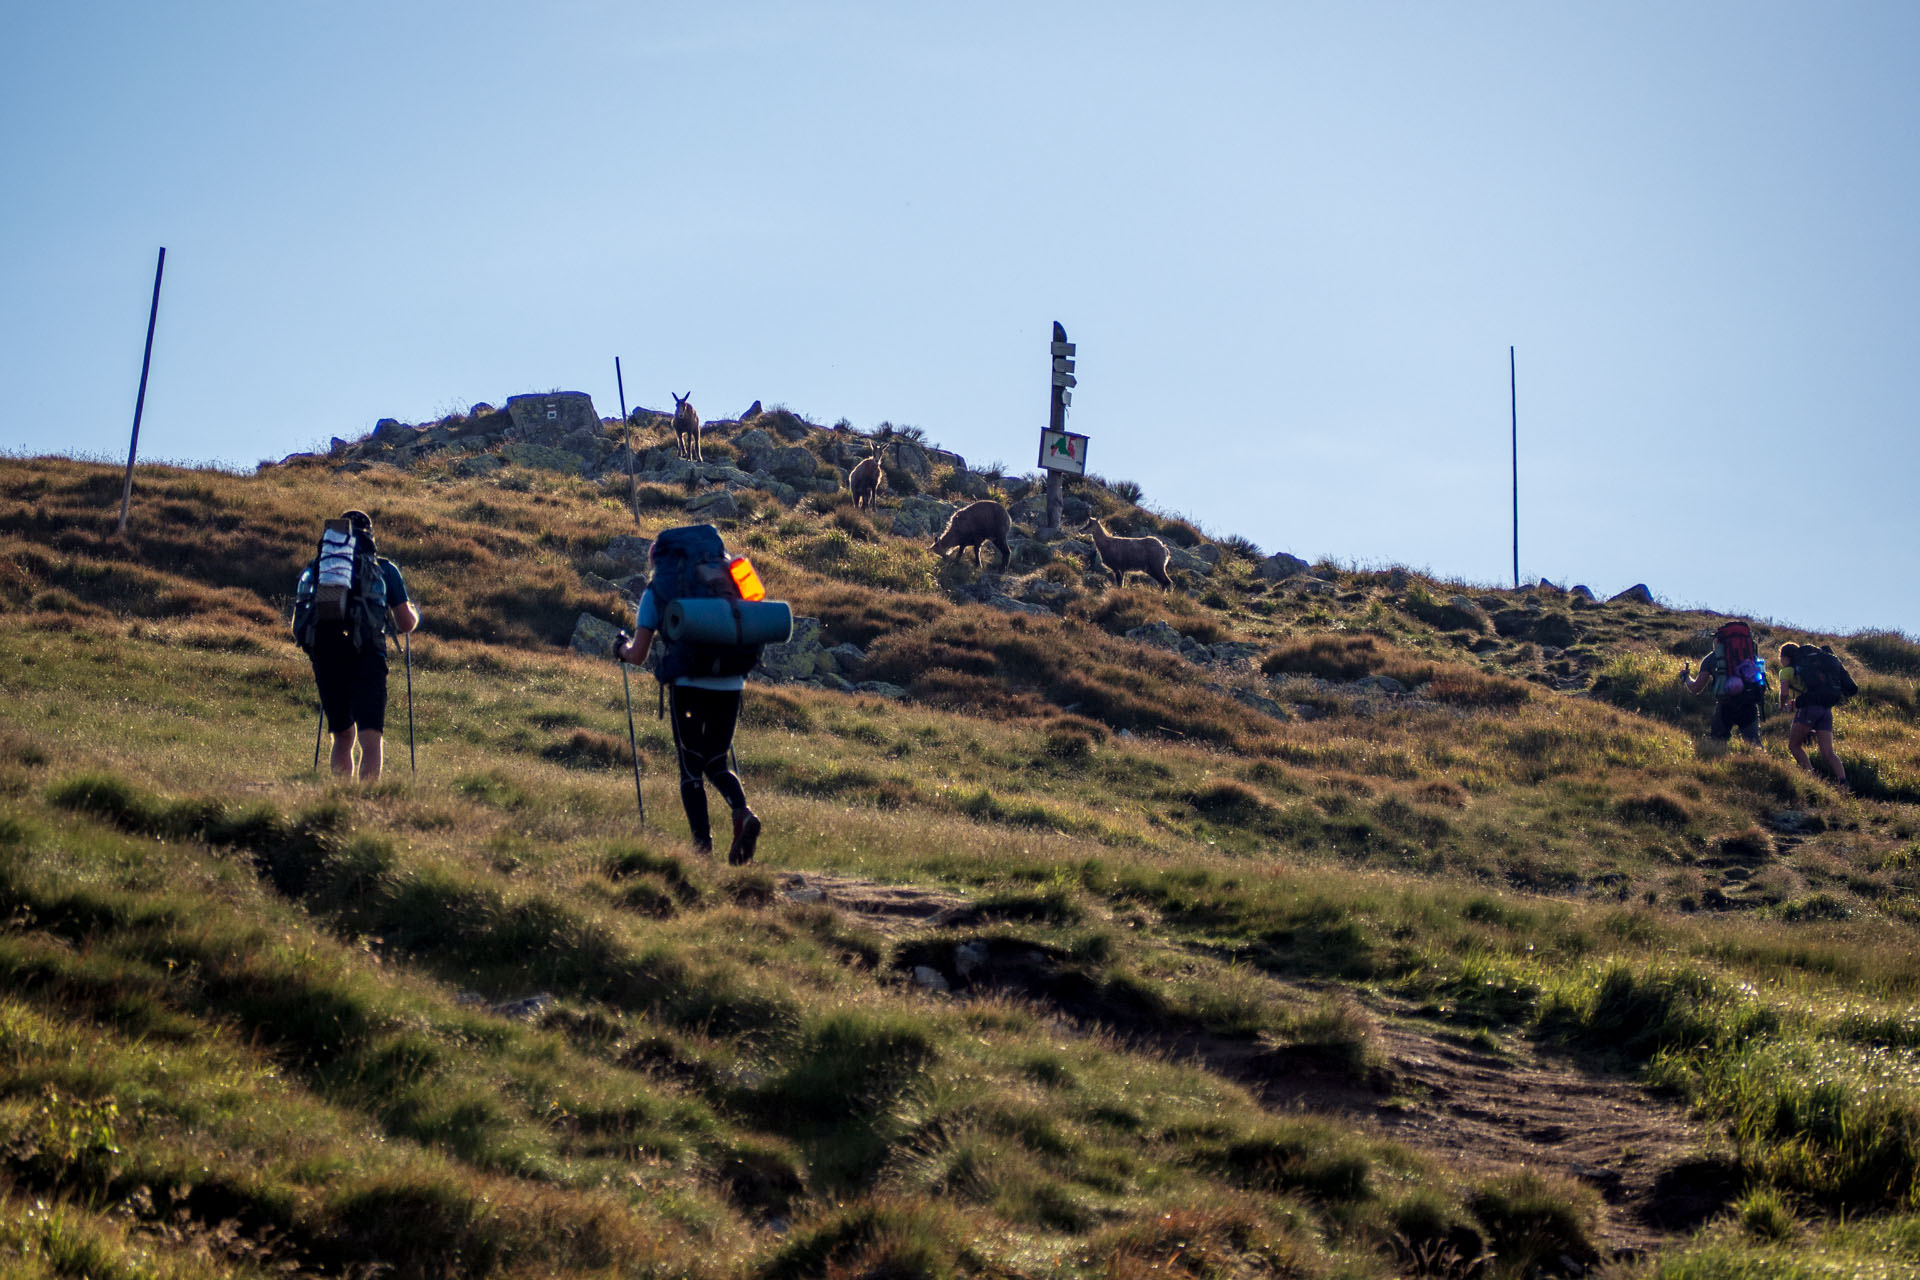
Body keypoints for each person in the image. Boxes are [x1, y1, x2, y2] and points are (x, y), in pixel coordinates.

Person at [616, 545, 762, 863]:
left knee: (691, 768)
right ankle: (742, 812)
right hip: (731, 681)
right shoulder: (728, 577)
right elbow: (756, 614)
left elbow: (638, 654)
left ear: (658, 562)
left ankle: (701, 852)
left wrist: (621, 649)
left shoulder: (658, 591)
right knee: (716, 763)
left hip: (688, 685)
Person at [293, 509, 419, 782]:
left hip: (326, 654)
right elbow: (406, 623)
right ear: (369, 535)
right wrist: (414, 613)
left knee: (342, 735)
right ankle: (366, 802)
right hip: (368, 655)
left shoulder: (319, 568)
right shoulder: (383, 569)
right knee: (370, 738)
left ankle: (339, 799)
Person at [1777, 642, 1849, 788]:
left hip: (1809, 709)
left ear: (1785, 657)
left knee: (1794, 745)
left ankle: (1812, 779)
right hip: (1826, 709)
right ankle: (1843, 782)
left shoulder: (1786, 671)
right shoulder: (1811, 667)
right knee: (1828, 752)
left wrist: (1781, 705)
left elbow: (1784, 693)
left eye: (1781, 658)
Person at [1679, 622, 1763, 745]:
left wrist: (1686, 677)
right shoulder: (1751, 656)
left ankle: (1717, 762)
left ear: (1718, 641)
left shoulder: (1711, 659)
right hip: (1749, 703)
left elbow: (1696, 688)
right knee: (1754, 744)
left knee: (1717, 742)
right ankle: (1760, 763)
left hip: (1725, 705)